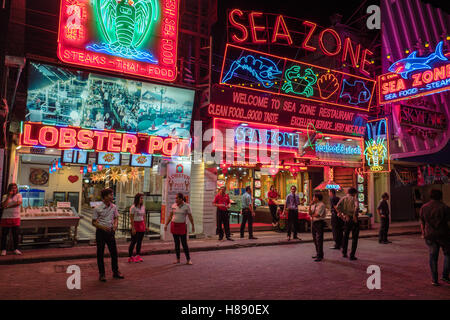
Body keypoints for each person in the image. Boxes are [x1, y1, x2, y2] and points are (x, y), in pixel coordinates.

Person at [92, 188, 124, 282]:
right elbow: (93, 222)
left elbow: (116, 218)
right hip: (101, 233)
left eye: (112, 194)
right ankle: (102, 274)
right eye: (110, 195)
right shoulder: (97, 208)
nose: (112, 196)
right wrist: (102, 227)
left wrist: (115, 225)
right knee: (100, 253)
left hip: (110, 232)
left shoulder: (114, 207)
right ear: (105, 197)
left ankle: (115, 272)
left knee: (114, 253)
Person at [419, 189, 450, 286]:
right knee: (448, 254)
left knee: (433, 257)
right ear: (440, 197)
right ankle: (445, 275)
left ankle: (434, 279)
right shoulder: (445, 207)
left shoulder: (424, 207)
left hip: (430, 235)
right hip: (443, 234)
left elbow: (422, 222)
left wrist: (423, 232)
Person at [164, 193, 195, 265]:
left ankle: (188, 259)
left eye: (177, 198)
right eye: (175, 198)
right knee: (176, 243)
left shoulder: (187, 206)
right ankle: (178, 259)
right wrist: (166, 224)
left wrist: (193, 225)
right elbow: (170, 216)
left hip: (182, 226)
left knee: (184, 243)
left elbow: (190, 216)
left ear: (181, 199)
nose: (176, 199)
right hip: (174, 225)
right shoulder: (174, 205)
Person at [336, 187, 359, 260]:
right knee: (354, 238)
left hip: (347, 219)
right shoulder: (354, 199)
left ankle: (344, 252)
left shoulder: (343, 198)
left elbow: (337, 207)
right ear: (354, 193)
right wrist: (355, 216)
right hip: (353, 219)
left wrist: (343, 215)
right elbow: (356, 207)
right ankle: (352, 255)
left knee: (345, 236)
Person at [1, 183, 23, 256]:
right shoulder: (5, 196)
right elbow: (3, 205)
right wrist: (9, 196)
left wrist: (8, 207)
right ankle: (3, 249)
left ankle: (16, 249)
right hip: (6, 217)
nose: (14, 189)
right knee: (4, 234)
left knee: (15, 234)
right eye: (12, 188)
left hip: (15, 217)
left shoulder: (19, 195)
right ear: (9, 189)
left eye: (15, 188)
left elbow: (18, 203)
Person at [128, 193, 146, 263]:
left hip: (141, 225)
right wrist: (133, 228)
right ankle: (130, 256)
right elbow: (131, 218)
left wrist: (145, 225)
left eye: (142, 198)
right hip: (135, 224)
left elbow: (144, 216)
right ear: (137, 199)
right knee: (133, 241)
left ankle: (138, 255)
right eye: (141, 198)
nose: (142, 199)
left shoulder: (143, 207)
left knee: (139, 242)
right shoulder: (133, 207)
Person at [309, 193, 327, 262]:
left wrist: (312, 215)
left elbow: (317, 215)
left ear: (317, 198)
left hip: (319, 223)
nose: (313, 198)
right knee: (314, 239)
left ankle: (320, 255)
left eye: (313, 197)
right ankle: (318, 253)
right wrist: (310, 205)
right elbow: (310, 213)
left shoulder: (321, 205)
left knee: (319, 239)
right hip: (313, 222)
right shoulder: (314, 205)